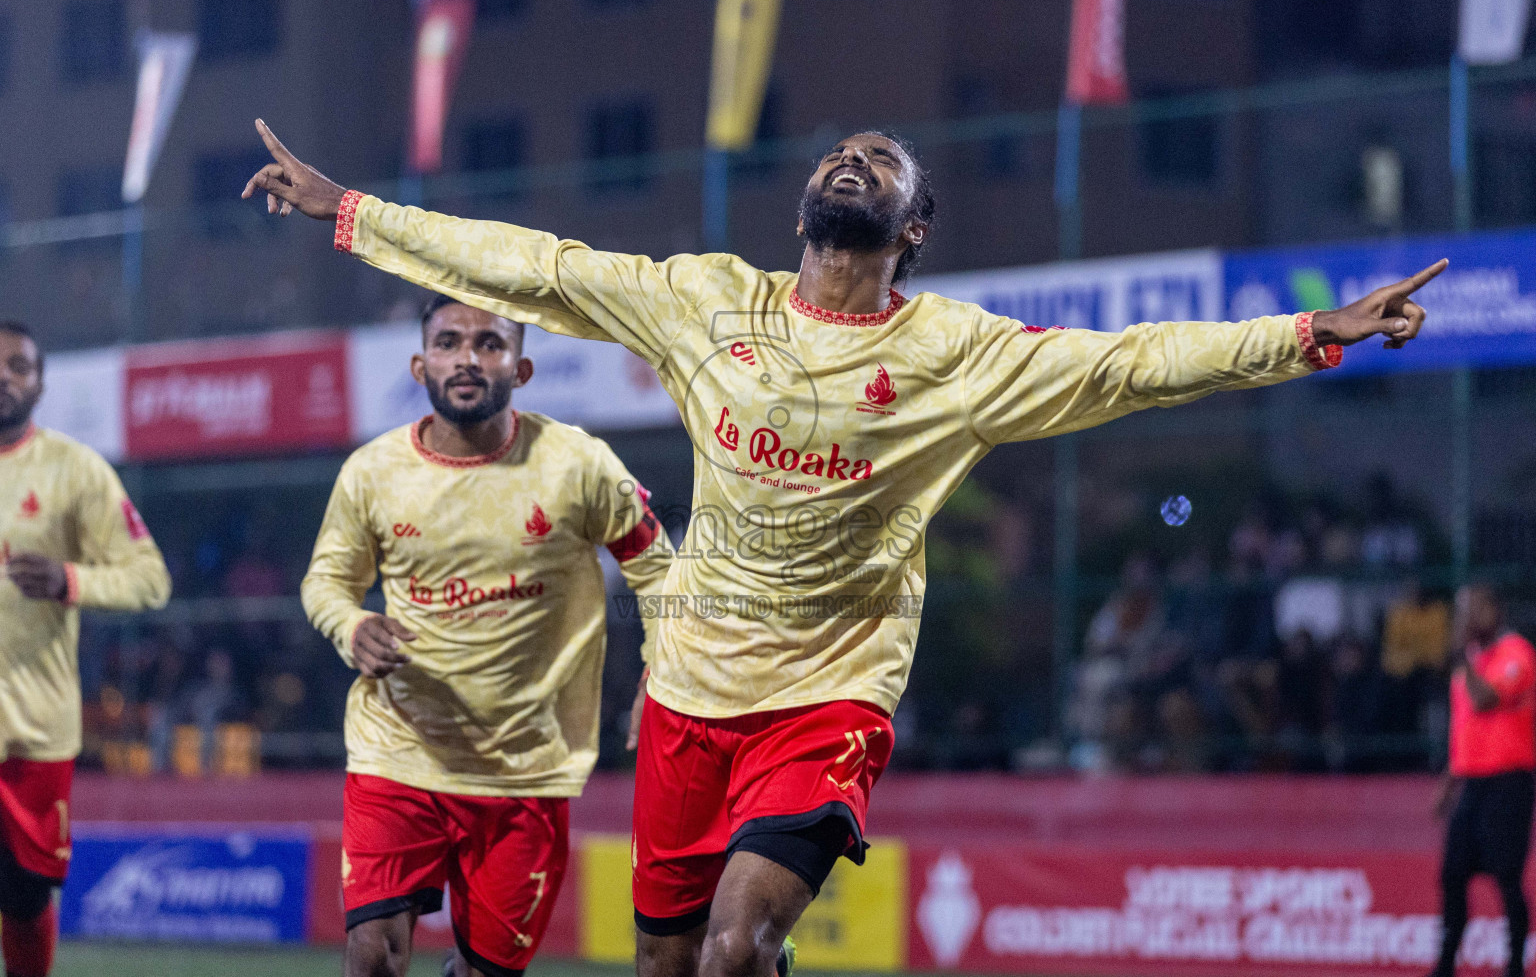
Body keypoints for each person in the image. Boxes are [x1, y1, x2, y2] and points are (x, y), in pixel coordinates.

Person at [245, 119, 1442, 977]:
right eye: (838, 153)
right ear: (803, 206)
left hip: (830, 692)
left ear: (911, 223)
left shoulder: (958, 354)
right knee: (668, 957)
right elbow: (531, 264)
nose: (849, 159)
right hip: (691, 690)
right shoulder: (704, 301)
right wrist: (350, 214)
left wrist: (1309, 334)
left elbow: (1130, 362)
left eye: (880, 160)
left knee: (735, 942)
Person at [300, 295, 673, 977]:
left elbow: (656, 566)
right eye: (448, 342)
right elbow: (325, 581)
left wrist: (664, 672)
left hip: (524, 767)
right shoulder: (372, 472)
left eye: (489, 343)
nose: (468, 357)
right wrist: (350, 624)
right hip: (399, 751)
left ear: (522, 369)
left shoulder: (577, 464)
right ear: (420, 364)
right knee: (372, 956)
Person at [0, 321, 171, 977]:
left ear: (41, 383)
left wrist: (71, 580)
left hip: (34, 733)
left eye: (19, 365)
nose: (4, 376)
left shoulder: (75, 470)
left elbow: (150, 578)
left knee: (22, 895)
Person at [1428, 584, 1535, 977]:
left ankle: (1514, 966)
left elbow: (1485, 700)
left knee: (1508, 877)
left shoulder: (1517, 655)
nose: (1464, 618)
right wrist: (1447, 786)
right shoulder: (1470, 661)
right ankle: (1445, 964)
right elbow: (1463, 728)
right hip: (1471, 783)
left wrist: (1462, 659)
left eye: (1471, 609)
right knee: (1453, 874)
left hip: (1509, 782)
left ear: (1494, 610)